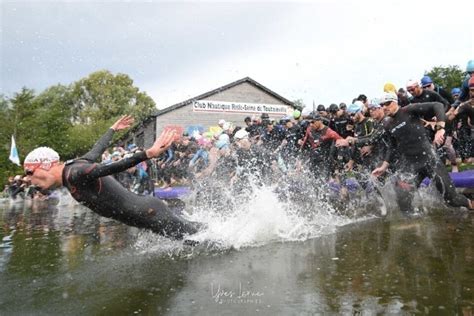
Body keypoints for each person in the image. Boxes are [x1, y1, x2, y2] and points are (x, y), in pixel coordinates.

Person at [24, 115, 200, 239]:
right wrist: (112, 129)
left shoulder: (75, 173)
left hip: (150, 214)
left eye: (30, 173)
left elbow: (112, 167)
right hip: (146, 218)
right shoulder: (74, 168)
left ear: (46, 165)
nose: (29, 180)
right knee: (198, 237)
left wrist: (148, 153)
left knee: (203, 240)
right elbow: (97, 150)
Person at [371, 93, 473, 210]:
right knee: (404, 203)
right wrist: (384, 166)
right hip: (412, 167)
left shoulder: (408, 110)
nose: (384, 107)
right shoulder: (388, 124)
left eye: (387, 103)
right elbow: (392, 146)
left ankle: (470, 204)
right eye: (382, 105)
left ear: (395, 102)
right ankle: (414, 226)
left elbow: (437, 105)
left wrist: (440, 129)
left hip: (430, 161)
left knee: (452, 199)